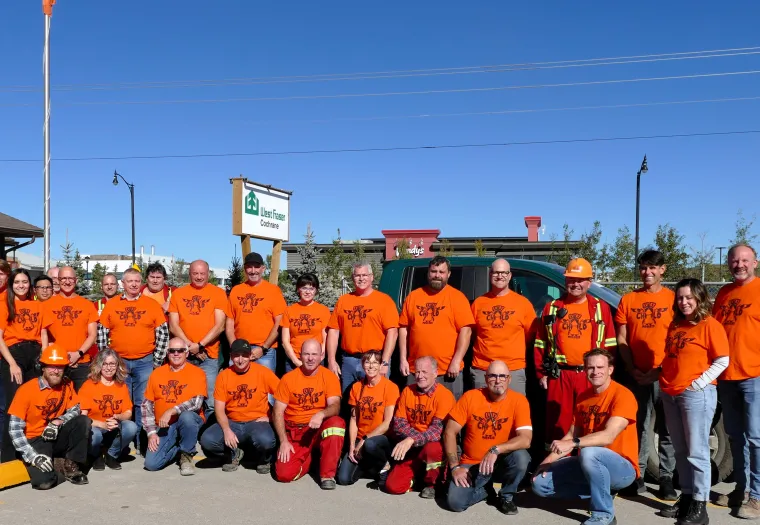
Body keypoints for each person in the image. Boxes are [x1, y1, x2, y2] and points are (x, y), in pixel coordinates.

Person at [532, 349, 639, 525]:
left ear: (610, 370)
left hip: (622, 469)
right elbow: (570, 436)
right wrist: (546, 463)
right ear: (585, 370)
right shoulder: (583, 398)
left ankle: (603, 514)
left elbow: (608, 436)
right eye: (590, 367)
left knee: (589, 452)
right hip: (590, 464)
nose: (595, 371)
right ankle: (602, 491)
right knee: (540, 484)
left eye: (600, 367)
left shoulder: (623, 395)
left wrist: (574, 444)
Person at [657, 279, 729, 525]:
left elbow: (722, 360)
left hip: (695, 394)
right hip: (671, 393)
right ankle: (687, 497)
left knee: (697, 451)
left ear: (699, 298)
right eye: (680, 298)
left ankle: (700, 505)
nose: (684, 302)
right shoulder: (676, 325)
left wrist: (697, 384)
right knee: (681, 450)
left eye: (689, 297)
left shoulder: (710, 325)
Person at [534, 258, 617, 448]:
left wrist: (608, 373)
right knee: (558, 425)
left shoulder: (600, 307)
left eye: (580, 280)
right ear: (565, 281)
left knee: (589, 422)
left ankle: (586, 465)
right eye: (571, 279)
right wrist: (541, 374)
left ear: (589, 282)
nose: (576, 284)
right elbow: (541, 342)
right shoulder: (552, 307)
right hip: (560, 375)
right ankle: (555, 467)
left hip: (590, 375)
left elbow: (610, 343)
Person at [615, 249, 676, 498]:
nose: (647, 272)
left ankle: (666, 478)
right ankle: (636, 475)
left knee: (667, 428)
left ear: (663, 269)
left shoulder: (674, 300)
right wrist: (632, 369)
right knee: (637, 426)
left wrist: (658, 371)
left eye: (652, 267)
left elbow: (679, 338)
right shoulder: (628, 300)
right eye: (643, 267)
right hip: (637, 375)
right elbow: (622, 337)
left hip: (666, 374)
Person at [445, 360, 532, 514]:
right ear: (485, 379)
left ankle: (506, 497)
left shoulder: (519, 400)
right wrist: (454, 467)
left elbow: (526, 439)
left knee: (522, 457)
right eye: (492, 376)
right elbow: (450, 432)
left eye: (502, 376)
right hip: (472, 464)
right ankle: (486, 490)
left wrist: (496, 449)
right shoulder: (470, 397)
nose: (498, 380)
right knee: (456, 503)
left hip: (501, 463)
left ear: (509, 379)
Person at [97, 268, 169, 449]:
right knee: (122, 404)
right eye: (130, 281)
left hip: (144, 361)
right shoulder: (112, 304)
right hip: (119, 362)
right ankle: (122, 442)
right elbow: (102, 332)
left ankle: (140, 441)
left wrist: (157, 361)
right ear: (123, 284)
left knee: (142, 403)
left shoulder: (151, 304)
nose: (134, 284)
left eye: (137, 281)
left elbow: (162, 333)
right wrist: (107, 360)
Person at [712, 243, 760, 514]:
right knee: (735, 437)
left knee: (756, 438)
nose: (739, 265)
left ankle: (757, 495)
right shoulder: (724, 292)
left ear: (755, 262)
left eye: (745, 260)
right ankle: (741, 490)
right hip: (727, 377)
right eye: (734, 260)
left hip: (755, 375)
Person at [7, 344, 90, 489]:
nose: (56, 371)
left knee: (83, 421)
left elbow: (76, 409)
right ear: (42, 367)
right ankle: (57, 464)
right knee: (44, 483)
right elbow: (14, 429)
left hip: (55, 434)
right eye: (51, 366)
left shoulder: (67, 385)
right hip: (35, 440)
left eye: (60, 367)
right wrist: (33, 457)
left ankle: (71, 465)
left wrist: (58, 421)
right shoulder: (26, 390)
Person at [398, 256, 474, 400]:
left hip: (447, 370)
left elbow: (466, 331)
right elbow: (403, 329)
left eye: (441, 272)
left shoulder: (457, 297)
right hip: (416, 371)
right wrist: (403, 359)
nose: (437, 275)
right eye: (433, 271)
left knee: (449, 416)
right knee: (416, 413)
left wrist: (456, 361)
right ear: (428, 273)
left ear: (448, 274)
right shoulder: (414, 297)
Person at [273, 339, 345, 489]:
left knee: (336, 423)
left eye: (314, 354)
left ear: (321, 356)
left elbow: (335, 406)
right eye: (306, 354)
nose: (310, 358)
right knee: (284, 475)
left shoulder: (329, 377)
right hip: (296, 433)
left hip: (318, 429)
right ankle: (313, 460)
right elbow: (277, 412)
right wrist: (283, 441)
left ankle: (327, 475)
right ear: (300, 355)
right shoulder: (288, 379)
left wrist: (321, 414)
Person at [199, 339, 279, 473]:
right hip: (233, 421)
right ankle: (234, 454)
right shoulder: (224, 375)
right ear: (231, 356)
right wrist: (226, 430)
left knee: (267, 441)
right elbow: (219, 408)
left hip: (257, 421)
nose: (240, 359)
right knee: (207, 440)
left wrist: (271, 416)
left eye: (244, 355)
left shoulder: (263, 372)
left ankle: (263, 458)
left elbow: (283, 396)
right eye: (236, 355)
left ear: (250, 356)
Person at [385, 356, 455, 498]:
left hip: (432, 447)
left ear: (435, 373)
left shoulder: (444, 396)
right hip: (411, 448)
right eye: (417, 372)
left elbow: (437, 431)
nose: (420, 376)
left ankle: (432, 484)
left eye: (424, 372)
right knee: (392, 487)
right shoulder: (407, 391)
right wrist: (412, 440)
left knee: (433, 448)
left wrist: (411, 439)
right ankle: (417, 479)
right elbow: (399, 424)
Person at [327, 262, 399, 392]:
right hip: (348, 360)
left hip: (374, 360)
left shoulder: (384, 300)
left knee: (375, 401)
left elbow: (392, 333)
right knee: (349, 402)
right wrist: (331, 360)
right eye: (357, 275)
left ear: (371, 277)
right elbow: (333, 331)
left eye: (364, 275)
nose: (361, 278)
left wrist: (385, 362)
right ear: (352, 278)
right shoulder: (343, 301)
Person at [168, 260, 229, 414]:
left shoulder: (218, 293)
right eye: (195, 273)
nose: (199, 277)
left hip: (208, 356)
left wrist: (200, 345)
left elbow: (220, 325)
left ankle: (208, 435)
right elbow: (173, 325)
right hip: (183, 355)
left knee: (210, 401)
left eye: (202, 273)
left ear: (208, 274)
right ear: (190, 274)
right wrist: (191, 346)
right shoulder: (178, 294)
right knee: (183, 398)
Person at [470, 258, 537, 394]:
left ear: (510, 276)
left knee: (513, 412)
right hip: (483, 370)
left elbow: (530, 337)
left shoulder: (523, 304)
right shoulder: (478, 303)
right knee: (481, 412)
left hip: (513, 370)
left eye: (504, 273)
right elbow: (471, 334)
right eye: (495, 273)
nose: (499, 276)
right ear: (490, 275)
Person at [142, 337, 207, 475]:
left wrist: (172, 410)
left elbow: (197, 403)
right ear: (167, 352)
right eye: (172, 351)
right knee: (151, 464)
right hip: (164, 425)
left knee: (187, 417)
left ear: (187, 353)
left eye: (180, 351)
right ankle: (178, 449)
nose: (176, 354)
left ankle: (186, 456)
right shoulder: (157, 373)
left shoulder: (197, 373)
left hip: (188, 420)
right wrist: (151, 433)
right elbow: (146, 405)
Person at [337, 350, 400, 486]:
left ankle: (385, 465)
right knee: (343, 479)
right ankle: (372, 469)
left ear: (380, 365)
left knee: (371, 445)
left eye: (375, 362)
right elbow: (354, 419)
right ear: (362, 364)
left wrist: (365, 440)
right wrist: (352, 445)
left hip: (380, 440)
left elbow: (388, 422)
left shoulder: (390, 387)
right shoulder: (356, 387)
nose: (371, 366)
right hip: (360, 439)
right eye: (367, 362)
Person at [1, 269, 43, 462]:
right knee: (14, 406)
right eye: (17, 282)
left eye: (24, 282)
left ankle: (32, 451)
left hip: (34, 354)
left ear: (30, 285)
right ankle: (9, 457)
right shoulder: (4, 304)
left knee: (33, 404)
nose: (21, 285)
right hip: (14, 355)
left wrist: (43, 357)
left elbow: (43, 333)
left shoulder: (37, 305)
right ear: (12, 285)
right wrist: (12, 363)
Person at [225, 252, 286, 373]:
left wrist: (263, 348)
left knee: (266, 389)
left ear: (263, 268)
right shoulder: (236, 290)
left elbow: (279, 323)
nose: (253, 271)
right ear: (245, 269)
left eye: (256, 267)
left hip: (265, 352)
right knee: (236, 387)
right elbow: (229, 323)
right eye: (249, 267)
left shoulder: (273, 291)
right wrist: (235, 347)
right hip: (239, 350)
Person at [40, 266, 99, 391]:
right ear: (58, 280)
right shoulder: (46, 305)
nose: (67, 282)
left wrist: (78, 354)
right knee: (55, 401)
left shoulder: (87, 305)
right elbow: (43, 333)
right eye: (63, 278)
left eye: (70, 278)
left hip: (81, 363)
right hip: (55, 363)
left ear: (76, 280)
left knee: (82, 404)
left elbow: (93, 335)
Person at [79, 349, 138, 470]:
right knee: (95, 435)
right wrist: (101, 424)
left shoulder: (121, 385)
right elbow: (82, 417)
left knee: (131, 427)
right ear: (99, 365)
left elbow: (128, 412)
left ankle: (112, 455)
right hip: (95, 427)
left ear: (117, 366)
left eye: (112, 364)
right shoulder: (88, 385)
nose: (108, 367)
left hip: (114, 427)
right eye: (105, 363)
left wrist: (118, 417)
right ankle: (95, 455)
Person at [282, 273, 331, 372]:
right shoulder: (289, 310)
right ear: (298, 289)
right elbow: (285, 341)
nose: (308, 292)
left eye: (311, 288)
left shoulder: (323, 310)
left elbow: (325, 339)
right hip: (294, 360)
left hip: (316, 360)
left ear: (316, 291)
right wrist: (296, 361)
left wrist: (319, 359)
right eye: (304, 288)